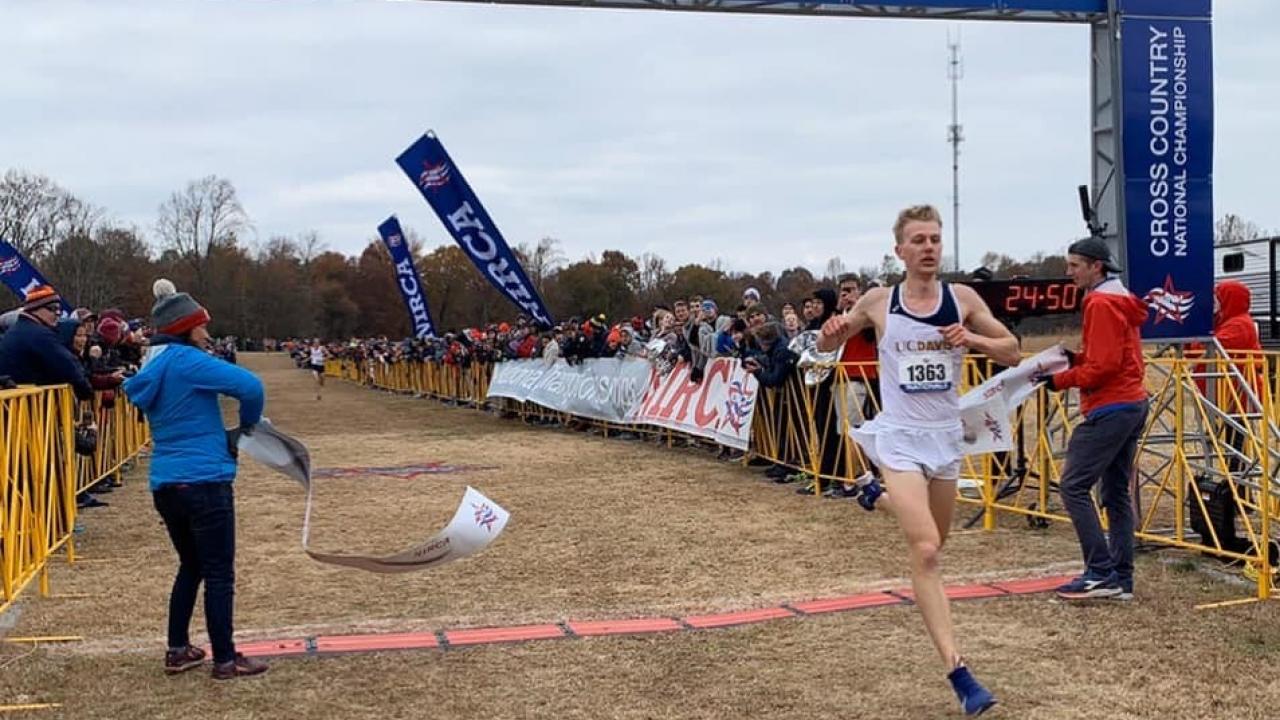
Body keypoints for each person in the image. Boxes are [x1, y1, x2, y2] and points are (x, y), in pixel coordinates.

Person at [817, 204, 1020, 716]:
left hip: (945, 440)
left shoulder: (963, 299)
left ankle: (874, 495)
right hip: (901, 439)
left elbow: (1012, 351)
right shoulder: (881, 301)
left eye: (935, 239)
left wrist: (970, 338)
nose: (929, 247)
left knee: (933, 539)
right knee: (927, 551)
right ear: (900, 251)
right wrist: (830, 335)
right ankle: (961, 674)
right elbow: (833, 339)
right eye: (919, 240)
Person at [122, 279, 268, 680]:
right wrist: (246, 429)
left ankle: (177, 649)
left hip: (166, 483)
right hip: (204, 480)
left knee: (191, 565)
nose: (207, 333)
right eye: (201, 326)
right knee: (219, 572)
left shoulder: (154, 364)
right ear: (185, 327)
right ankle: (225, 658)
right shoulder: (187, 361)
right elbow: (251, 387)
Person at [1039, 237, 1150, 602]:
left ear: (1095, 266)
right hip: (1131, 401)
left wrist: (1060, 379)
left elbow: (1103, 367)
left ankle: (1100, 571)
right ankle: (1120, 576)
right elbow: (1110, 357)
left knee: (1073, 486)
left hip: (1110, 405)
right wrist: (1077, 360)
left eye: (1074, 265)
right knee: (1115, 493)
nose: (1068, 272)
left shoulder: (1099, 302)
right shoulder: (1120, 300)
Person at [0, 285, 94, 401]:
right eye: (53, 308)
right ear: (35, 309)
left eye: (59, 309)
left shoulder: (14, 331)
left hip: (14, 408)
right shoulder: (39, 335)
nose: (58, 314)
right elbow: (67, 364)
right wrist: (86, 391)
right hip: (32, 409)